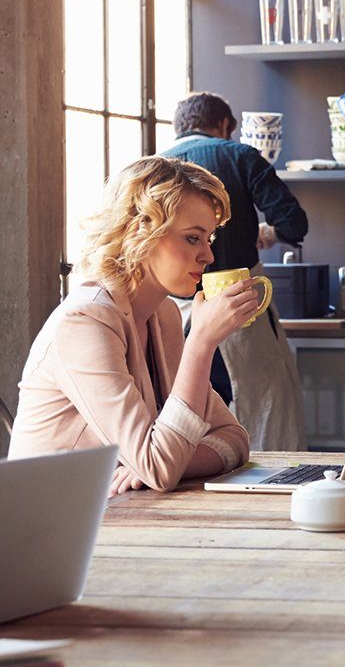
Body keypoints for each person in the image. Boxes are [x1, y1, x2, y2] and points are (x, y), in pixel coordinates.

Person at [10, 156, 253, 495]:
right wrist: (201, 341)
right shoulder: (84, 322)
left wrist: (166, 461)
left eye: (209, 239)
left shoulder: (163, 315)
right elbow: (158, 468)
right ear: (141, 232)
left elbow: (234, 439)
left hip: (116, 514)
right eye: (193, 239)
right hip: (51, 529)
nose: (209, 257)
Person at [164, 91, 307, 450]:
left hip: (174, 315)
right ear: (225, 125)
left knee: (187, 412)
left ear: (179, 127)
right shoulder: (241, 155)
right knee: (266, 404)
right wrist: (267, 233)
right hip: (242, 306)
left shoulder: (155, 167)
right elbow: (294, 224)